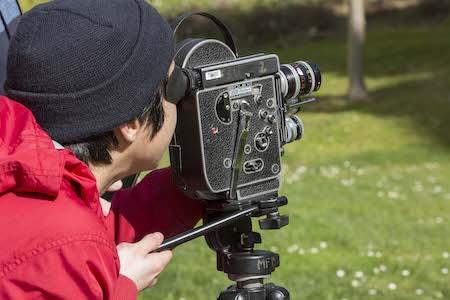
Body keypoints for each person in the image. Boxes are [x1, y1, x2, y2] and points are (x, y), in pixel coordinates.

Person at [0, 0, 204, 298]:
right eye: (174, 84)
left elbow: (104, 230)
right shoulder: (63, 247)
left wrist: (197, 182)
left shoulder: (38, 188)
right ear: (132, 122)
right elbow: (72, 248)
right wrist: (118, 287)